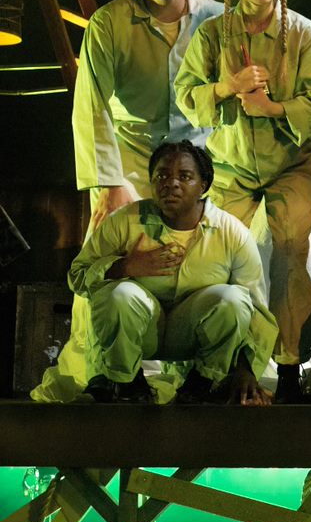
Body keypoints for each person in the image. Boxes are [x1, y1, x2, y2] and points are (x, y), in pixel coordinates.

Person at [41, 0, 227, 403]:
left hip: (201, 158)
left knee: (215, 260)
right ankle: (108, 367)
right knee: (114, 258)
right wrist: (107, 183)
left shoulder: (219, 19)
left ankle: (209, 369)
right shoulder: (109, 21)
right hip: (131, 156)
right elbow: (92, 104)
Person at [175, 0, 311, 403]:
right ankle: (220, 364)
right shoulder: (212, 33)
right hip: (231, 165)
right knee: (219, 259)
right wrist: (227, 86)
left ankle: (288, 367)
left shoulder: (305, 33)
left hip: (291, 164)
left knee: (291, 256)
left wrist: (273, 108)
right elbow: (188, 96)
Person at [68, 141, 275, 405]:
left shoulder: (231, 232)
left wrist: (245, 369)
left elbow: (256, 308)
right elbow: (77, 276)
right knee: (119, 294)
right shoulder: (126, 221)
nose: (172, 183)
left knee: (234, 299)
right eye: (162, 176)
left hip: (192, 336)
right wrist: (124, 267)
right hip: (141, 333)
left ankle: (202, 384)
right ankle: (127, 384)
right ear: (152, 182)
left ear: (204, 185)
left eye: (185, 176)